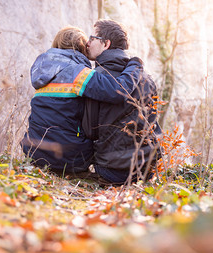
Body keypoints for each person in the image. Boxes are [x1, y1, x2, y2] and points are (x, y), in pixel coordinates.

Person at [21, 26, 143, 176]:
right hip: (66, 158)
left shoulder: (41, 67)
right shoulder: (77, 72)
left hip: (33, 151)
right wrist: (135, 66)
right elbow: (116, 91)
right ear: (81, 47)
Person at [83, 19, 162, 185]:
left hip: (112, 171)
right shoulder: (146, 78)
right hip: (146, 170)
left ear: (106, 43)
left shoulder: (98, 77)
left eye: (92, 38)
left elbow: (89, 130)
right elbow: (153, 123)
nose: (87, 42)